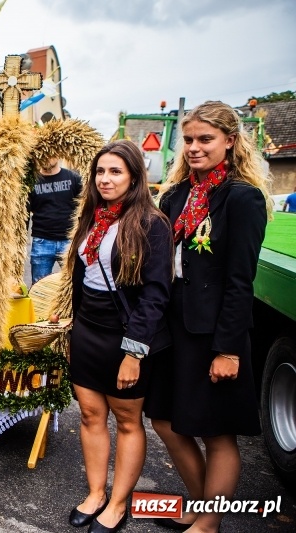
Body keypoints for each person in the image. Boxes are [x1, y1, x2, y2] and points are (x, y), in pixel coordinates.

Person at [144, 101, 271, 532]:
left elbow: (240, 281)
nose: (195, 148)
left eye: (206, 140)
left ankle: (209, 522)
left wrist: (229, 349)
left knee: (217, 432)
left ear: (230, 142)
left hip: (214, 332)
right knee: (163, 418)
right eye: (191, 140)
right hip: (172, 327)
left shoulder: (242, 198)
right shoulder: (177, 194)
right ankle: (202, 506)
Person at [64, 140, 172, 533]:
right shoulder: (93, 216)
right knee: (91, 415)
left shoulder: (151, 223)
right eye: (100, 171)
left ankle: (119, 503)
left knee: (127, 421)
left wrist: (134, 354)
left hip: (125, 337)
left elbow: (157, 294)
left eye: (115, 172)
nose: (105, 179)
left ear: (134, 177)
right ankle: (96, 493)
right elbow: (81, 277)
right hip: (87, 331)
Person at [27, 157, 83, 285]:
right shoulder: (32, 182)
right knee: (39, 286)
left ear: (58, 154)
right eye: (43, 154)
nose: (47, 158)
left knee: (73, 284)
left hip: (69, 241)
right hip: (42, 242)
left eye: (50, 154)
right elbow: (24, 212)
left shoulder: (73, 178)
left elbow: (83, 207)